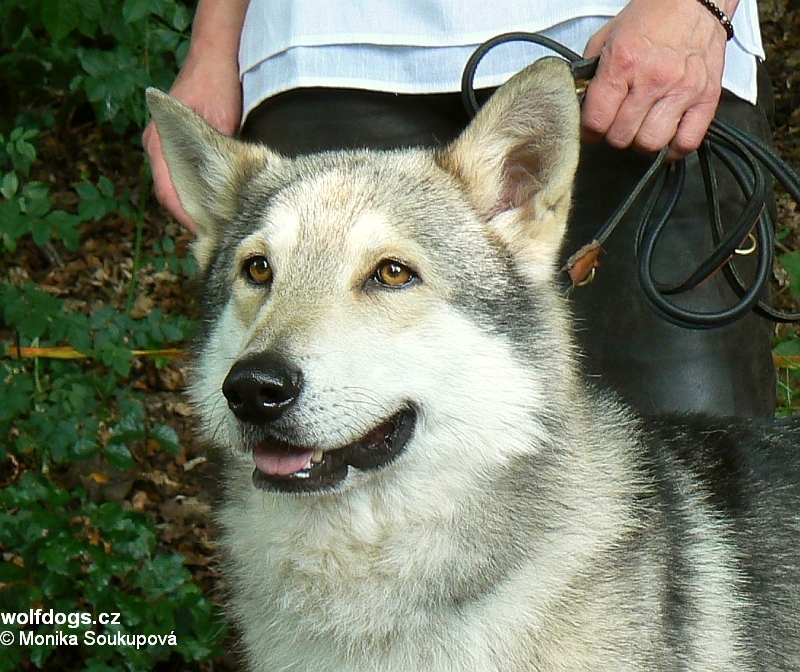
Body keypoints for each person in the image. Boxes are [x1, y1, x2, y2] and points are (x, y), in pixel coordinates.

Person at [143, 0, 777, 418]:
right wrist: (212, 44)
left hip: (641, 44)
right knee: (307, 449)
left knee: (707, 468)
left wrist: (699, 6)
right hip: (323, 45)